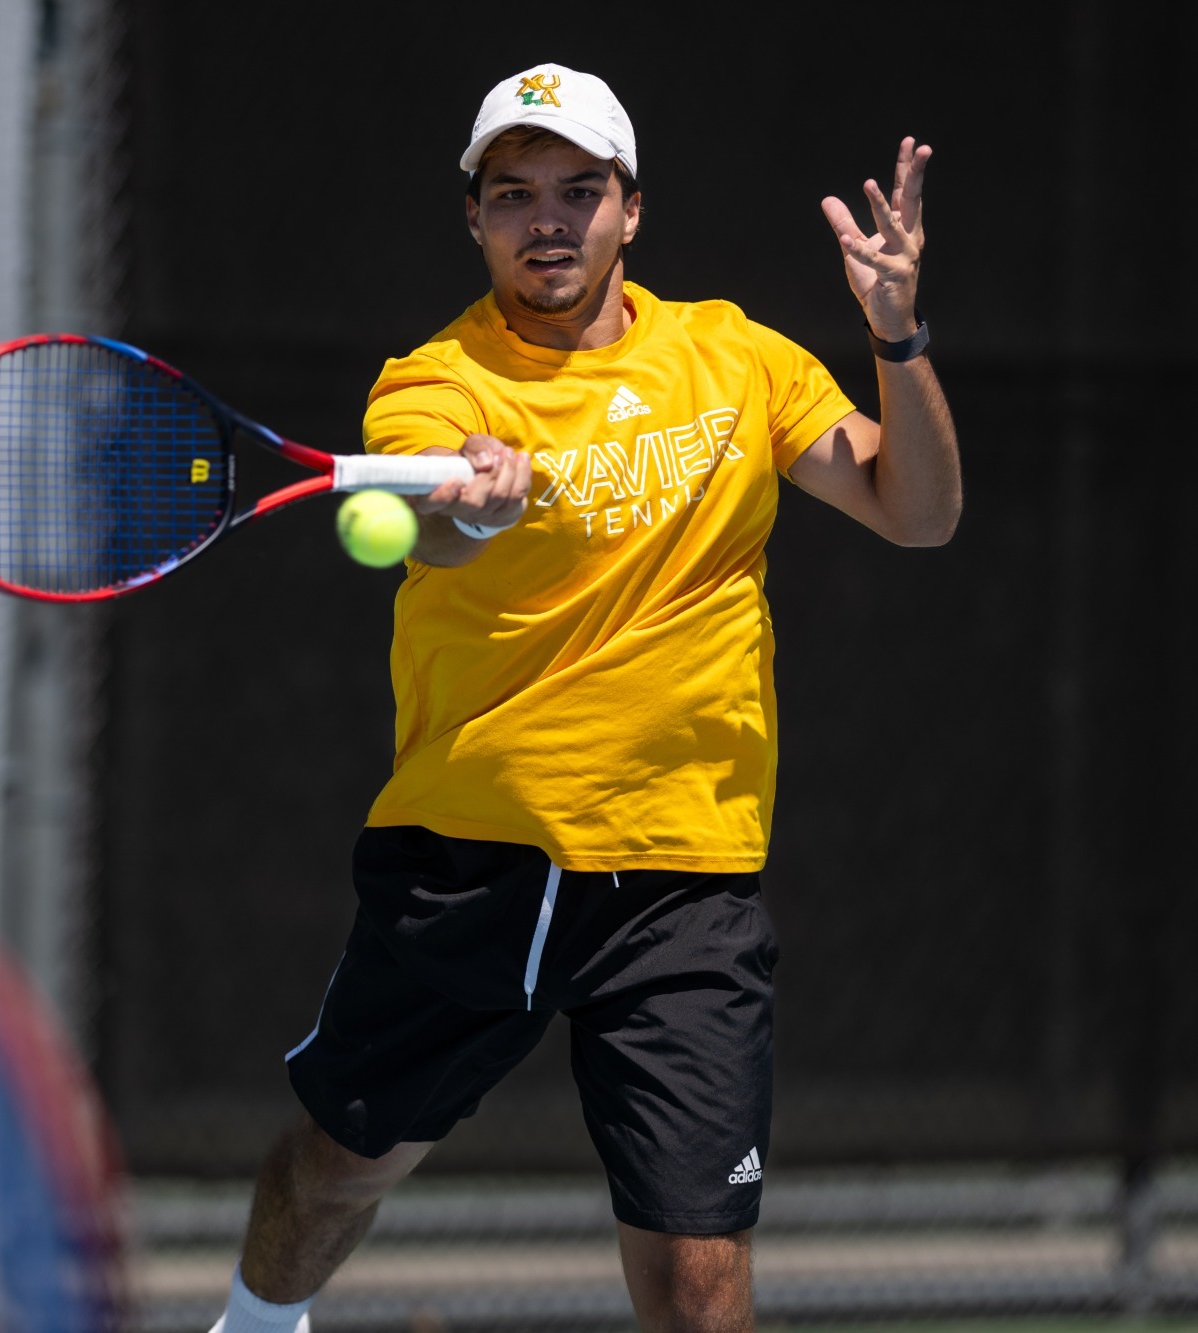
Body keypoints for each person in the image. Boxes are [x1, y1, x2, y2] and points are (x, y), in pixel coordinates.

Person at [213, 63, 959, 1333]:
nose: (544, 219)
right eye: (511, 193)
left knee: (699, 1265)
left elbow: (918, 511)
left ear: (630, 210)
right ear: (472, 218)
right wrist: (469, 500)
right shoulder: (434, 382)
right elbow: (434, 531)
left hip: (682, 876)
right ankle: (250, 1324)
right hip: (471, 859)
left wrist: (896, 335)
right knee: (338, 1168)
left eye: (576, 189)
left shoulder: (734, 357)